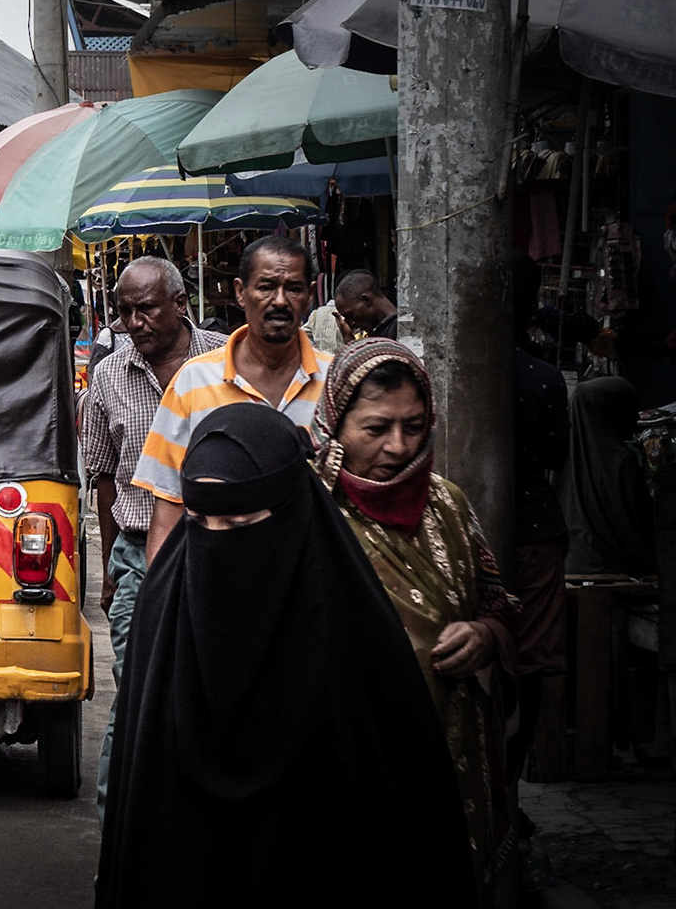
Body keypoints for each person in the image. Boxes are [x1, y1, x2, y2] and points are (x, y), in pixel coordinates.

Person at [97, 403, 474, 906]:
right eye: (198, 520)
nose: (216, 541)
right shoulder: (164, 605)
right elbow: (141, 794)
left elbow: (398, 807)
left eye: (240, 521)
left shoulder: (351, 622)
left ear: (293, 511)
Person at [310, 338, 519, 892]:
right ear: (336, 423)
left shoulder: (448, 503)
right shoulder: (311, 517)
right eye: (376, 429)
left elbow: (497, 600)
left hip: (456, 753)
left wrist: (485, 634)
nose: (399, 447)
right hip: (357, 762)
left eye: (415, 425)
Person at [80, 257, 227, 818]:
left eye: (146, 309)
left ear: (180, 303)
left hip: (218, 552)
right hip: (140, 552)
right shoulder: (110, 377)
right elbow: (103, 480)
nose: (133, 323)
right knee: (137, 688)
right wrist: (112, 573)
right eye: (123, 312)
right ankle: (119, 823)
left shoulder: (222, 358)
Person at [135, 235, 326, 564]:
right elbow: (168, 510)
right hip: (217, 579)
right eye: (265, 287)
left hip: (315, 584)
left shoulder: (336, 383)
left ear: (309, 295)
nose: (279, 300)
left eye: (293, 288)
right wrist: (161, 603)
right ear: (240, 292)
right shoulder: (193, 381)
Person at [507, 254, 570, 793]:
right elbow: (557, 454)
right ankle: (505, 784)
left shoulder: (451, 372)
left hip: (498, 529)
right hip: (531, 523)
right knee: (526, 668)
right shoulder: (543, 378)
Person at [561, 375, 655, 574]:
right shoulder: (621, 461)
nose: (636, 418)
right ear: (613, 412)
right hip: (614, 567)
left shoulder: (559, 459)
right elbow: (640, 528)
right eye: (629, 410)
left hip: (570, 563)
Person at [333, 268, 399, 340]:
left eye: (350, 315)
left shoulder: (398, 331)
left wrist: (350, 343)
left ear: (366, 300)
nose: (352, 323)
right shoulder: (380, 332)